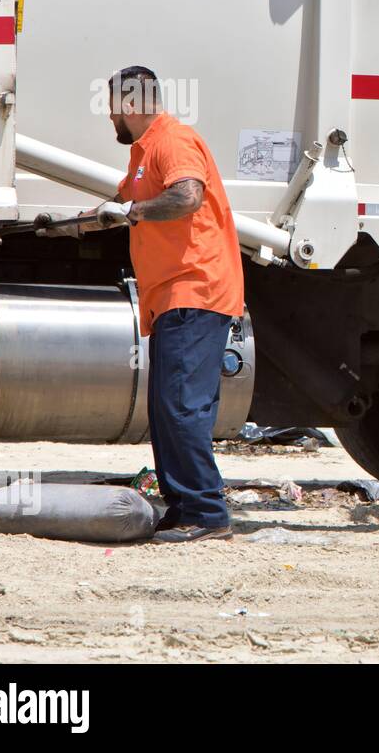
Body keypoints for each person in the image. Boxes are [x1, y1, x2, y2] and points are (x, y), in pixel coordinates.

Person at [85, 66, 245, 543]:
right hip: (171, 296)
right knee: (165, 409)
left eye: (112, 106)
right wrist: (69, 225)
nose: (109, 116)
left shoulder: (172, 140)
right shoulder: (143, 153)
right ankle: (183, 505)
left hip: (195, 289)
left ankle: (207, 513)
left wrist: (132, 211)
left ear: (130, 104)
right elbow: (113, 209)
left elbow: (187, 196)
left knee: (181, 406)